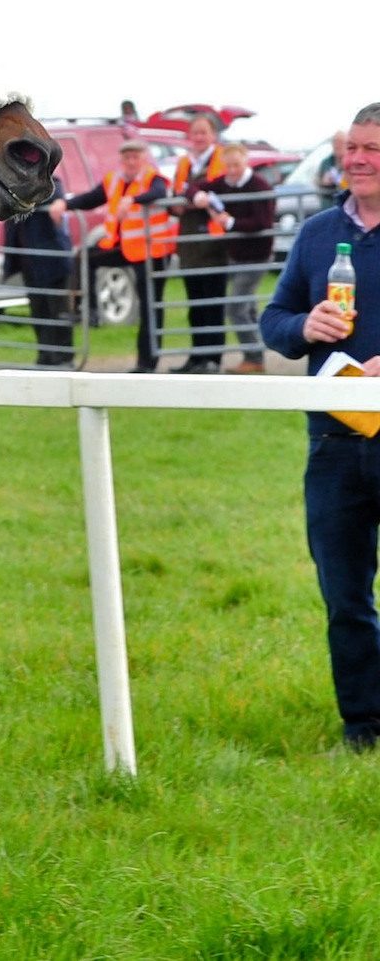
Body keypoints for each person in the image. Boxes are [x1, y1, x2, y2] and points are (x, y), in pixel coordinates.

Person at [260, 102, 380, 752]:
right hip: (333, 443)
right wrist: (304, 325)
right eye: (351, 147)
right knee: (344, 596)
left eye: (371, 149)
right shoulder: (317, 235)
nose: (356, 159)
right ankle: (363, 727)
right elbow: (272, 321)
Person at [51, 140, 174, 373]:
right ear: (121, 160)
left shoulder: (153, 179)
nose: (131, 162)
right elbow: (90, 199)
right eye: (127, 158)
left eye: (135, 157)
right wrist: (64, 204)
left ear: (144, 159)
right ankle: (88, 310)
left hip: (152, 252)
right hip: (122, 247)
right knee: (85, 257)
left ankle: (147, 363)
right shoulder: (114, 180)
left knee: (150, 306)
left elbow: (159, 193)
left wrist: (134, 200)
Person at [207, 142, 277, 373]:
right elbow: (199, 186)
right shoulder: (225, 183)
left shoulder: (259, 185)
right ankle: (255, 355)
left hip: (257, 254)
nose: (232, 170)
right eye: (228, 166)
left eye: (236, 165)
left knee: (236, 307)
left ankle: (254, 356)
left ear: (245, 161)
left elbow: (263, 222)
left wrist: (231, 222)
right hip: (237, 254)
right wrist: (198, 195)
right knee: (247, 307)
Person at [170, 111, 230, 372]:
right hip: (189, 241)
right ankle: (196, 357)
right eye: (195, 133)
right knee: (194, 304)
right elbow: (176, 196)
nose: (199, 137)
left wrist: (192, 197)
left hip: (214, 242)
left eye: (204, 132)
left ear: (214, 135)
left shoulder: (222, 159)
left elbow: (218, 192)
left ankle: (213, 358)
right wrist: (182, 202)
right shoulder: (184, 163)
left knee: (213, 302)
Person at [3, 202, 75, 365]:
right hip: (30, 259)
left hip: (52, 257)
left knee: (58, 310)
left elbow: (54, 194)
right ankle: (45, 357)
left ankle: (64, 358)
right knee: (39, 310)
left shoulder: (46, 188)